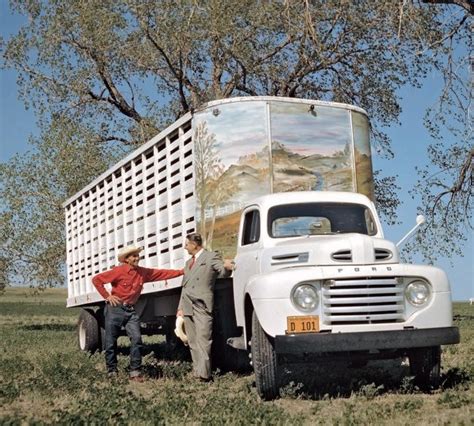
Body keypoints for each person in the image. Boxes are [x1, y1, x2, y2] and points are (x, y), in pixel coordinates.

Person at [92, 245, 183, 381]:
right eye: (134, 256)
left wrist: (181, 272)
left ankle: (135, 372)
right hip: (115, 309)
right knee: (111, 341)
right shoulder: (118, 271)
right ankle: (112, 370)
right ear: (126, 259)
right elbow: (97, 280)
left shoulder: (143, 272)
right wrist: (107, 296)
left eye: (137, 255)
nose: (137, 258)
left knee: (137, 339)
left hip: (130, 310)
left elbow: (162, 273)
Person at [176, 233, 234, 382]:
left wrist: (228, 268)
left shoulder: (210, 256)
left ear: (195, 245)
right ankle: (197, 371)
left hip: (202, 304)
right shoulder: (188, 262)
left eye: (187, 244)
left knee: (204, 339)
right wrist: (180, 308)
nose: (185, 247)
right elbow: (185, 286)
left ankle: (205, 374)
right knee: (193, 340)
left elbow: (221, 271)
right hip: (187, 304)